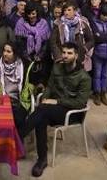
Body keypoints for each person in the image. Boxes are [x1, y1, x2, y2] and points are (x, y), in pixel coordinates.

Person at [18, 43, 91, 177]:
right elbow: (50, 87)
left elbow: (80, 103)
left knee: (42, 111)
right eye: (64, 52)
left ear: (76, 56)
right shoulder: (57, 67)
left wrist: (57, 101)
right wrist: (45, 98)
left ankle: (16, 137)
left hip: (72, 113)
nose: (65, 56)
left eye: (69, 53)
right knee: (41, 117)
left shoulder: (84, 77)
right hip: (53, 109)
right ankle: (42, 160)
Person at [0, 42, 33, 134]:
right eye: (4, 51)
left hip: (20, 102)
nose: (5, 54)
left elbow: (31, 85)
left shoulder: (25, 65)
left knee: (17, 119)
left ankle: (16, 141)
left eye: (9, 51)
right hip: (1, 101)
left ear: (15, 54)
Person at [50, 3, 94, 72]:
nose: (66, 12)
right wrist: (58, 57)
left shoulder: (82, 23)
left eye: (69, 10)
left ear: (74, 11)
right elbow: (53, 42)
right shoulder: (58, 23)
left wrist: (84, 49)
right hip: (63, 57)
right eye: (65, 10)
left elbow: (91, 40)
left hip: (78, 57)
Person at [14, 5, 51, 87]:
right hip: (25, 58)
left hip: (41, 59)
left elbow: (46, 42)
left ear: (37, 13)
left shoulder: (43, 23)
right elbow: (19, 42)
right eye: (29, 14)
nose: (31, 16)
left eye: (33, 14)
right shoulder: (20, 23)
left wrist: (41, 55)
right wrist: (26, 55)